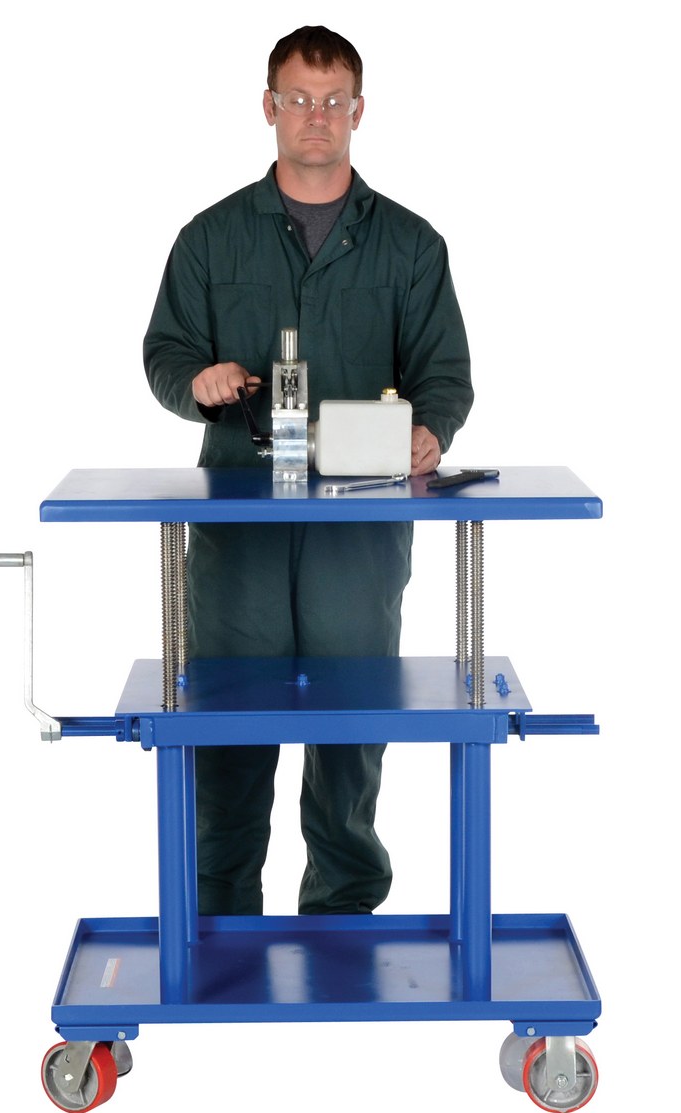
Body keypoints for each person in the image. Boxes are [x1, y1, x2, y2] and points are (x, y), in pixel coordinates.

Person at [144, 26, 473, 917]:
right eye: (298, 99)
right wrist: (197, 383)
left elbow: (444, 373)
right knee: (226, 723)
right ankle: (220, 921)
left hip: (357, 531)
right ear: (269, 107)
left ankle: (343, 914)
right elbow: (166, 352)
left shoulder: (409, 245)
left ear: (358, 111)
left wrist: (430, 431)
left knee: (352, 725)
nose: (315, 117)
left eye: (333, 101)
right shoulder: (211, 239)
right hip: (237, 526)